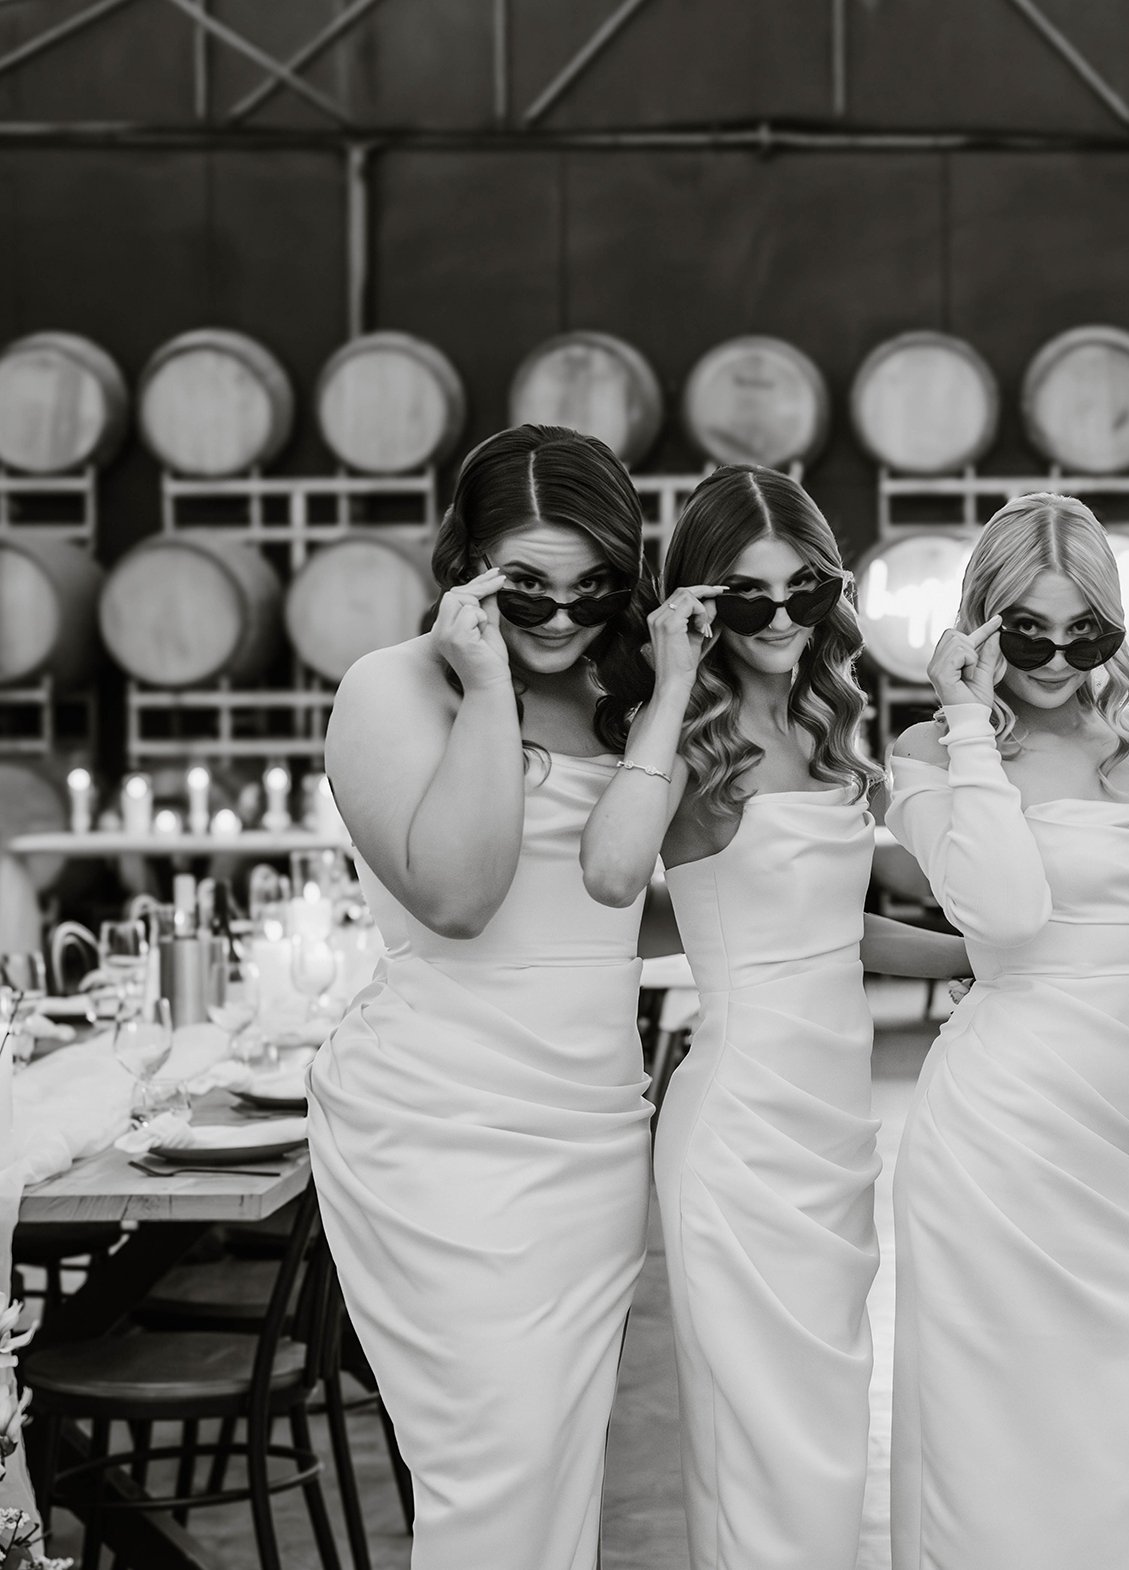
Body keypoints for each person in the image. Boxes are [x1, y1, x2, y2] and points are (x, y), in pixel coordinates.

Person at [577, 465, 966, 1570]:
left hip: (835, 1134)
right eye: (751, 597)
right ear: (699, 601)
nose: (786, 617)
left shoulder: (828, 723)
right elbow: (610, 874)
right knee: (759, 1452)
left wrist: (986, 959)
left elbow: (838, 937)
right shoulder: (683, 748)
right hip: (741, 1133)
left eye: (808, 590)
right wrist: (665, 683)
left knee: (827, 1442)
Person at [309, 425, 656, 1570]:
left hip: (595, 1129)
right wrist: (488, 682)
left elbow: (603, 914)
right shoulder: (388, 690)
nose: (560, 619)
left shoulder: (624, 695)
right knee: (494, 1466)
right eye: (527, 591)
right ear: (466, 567)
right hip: (439, 1128)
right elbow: (461, 896)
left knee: (559, 1466)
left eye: (592, 589)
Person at [883, 492, 1129, 1570]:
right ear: (980, 626)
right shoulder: (931, 751)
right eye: (1023, 628)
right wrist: (964, 722)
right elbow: (1001, 913)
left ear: (1112, 630)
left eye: (1077, 629)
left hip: (1108, 1149)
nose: (1050, 653)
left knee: (1117, 1448)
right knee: (983, 1457)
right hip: (988, 1141)